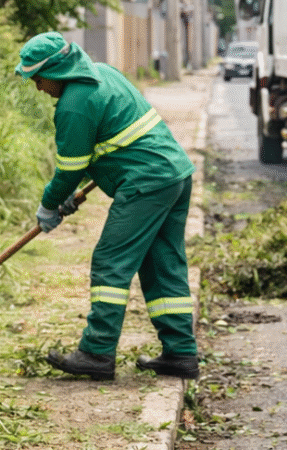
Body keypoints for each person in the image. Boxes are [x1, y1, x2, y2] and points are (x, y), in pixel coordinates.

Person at [15, 31, 200, 379]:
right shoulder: (105, 73)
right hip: (173, 174)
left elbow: (69, 168)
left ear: (56, 72)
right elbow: (117, 142)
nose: (38, 87)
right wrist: (72, 191)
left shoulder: (74, 105)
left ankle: (97, 352)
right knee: (163, 263)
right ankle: (181, 354)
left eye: (38, 78)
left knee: (110, 262)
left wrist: (49, 205)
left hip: (147, 183)